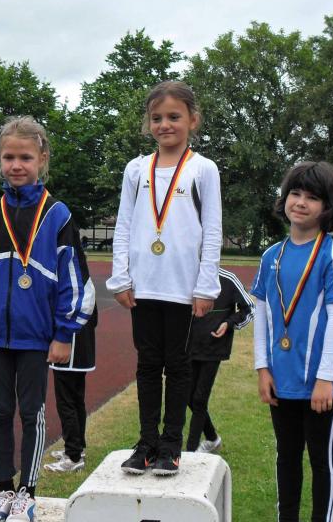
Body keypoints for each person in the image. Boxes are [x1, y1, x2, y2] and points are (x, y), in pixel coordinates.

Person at [0, 116, 95, 521]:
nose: (16, 165)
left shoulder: (57, 214)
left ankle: (27, 492)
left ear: (42, 159)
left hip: (36, 336)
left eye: (26, 157)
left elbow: (75, 279)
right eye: (8, 157)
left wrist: (64, 333)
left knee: (32, 412)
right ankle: (3, 488)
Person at [106, 81, 222, 476]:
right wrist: (121, 277)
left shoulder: (203, 169)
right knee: (147, 365)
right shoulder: (136, 169)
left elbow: (213, 230)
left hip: (183, 288)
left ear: (193, 120)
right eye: (156, 118)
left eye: (174, 116)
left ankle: (171, 444)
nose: (165, 125)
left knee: (179, 366)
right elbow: (124, 226)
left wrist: (206, 286)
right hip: (144, 285)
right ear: (148, 123)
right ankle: (146, 443)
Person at [252, 161, 333, 522]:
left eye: (312, 197)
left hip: (319, 383)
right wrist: (262, 368)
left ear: (327, 207)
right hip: (280, 378)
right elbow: (261, 315)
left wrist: (325, 378)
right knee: (287, 456)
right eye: (295, 193)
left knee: (321, 460)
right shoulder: (271, 256)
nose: (301, 202)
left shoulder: (332, 254)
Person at [185, 267, 253, 453]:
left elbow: (249, 309)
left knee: (199, 399)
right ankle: (212, 438)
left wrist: (228, 323)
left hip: (213, 347)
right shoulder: (185, 275)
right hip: (188, 347)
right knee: (188, 397)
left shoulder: (228, 279)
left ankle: (191, 451)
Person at [45, 308, 98, 473]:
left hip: (70, 345)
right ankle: (76, 448)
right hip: (80, 343)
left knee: (66, 402)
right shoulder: (86, 292)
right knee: (75, 400)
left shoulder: (75, 292)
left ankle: (73, 455)